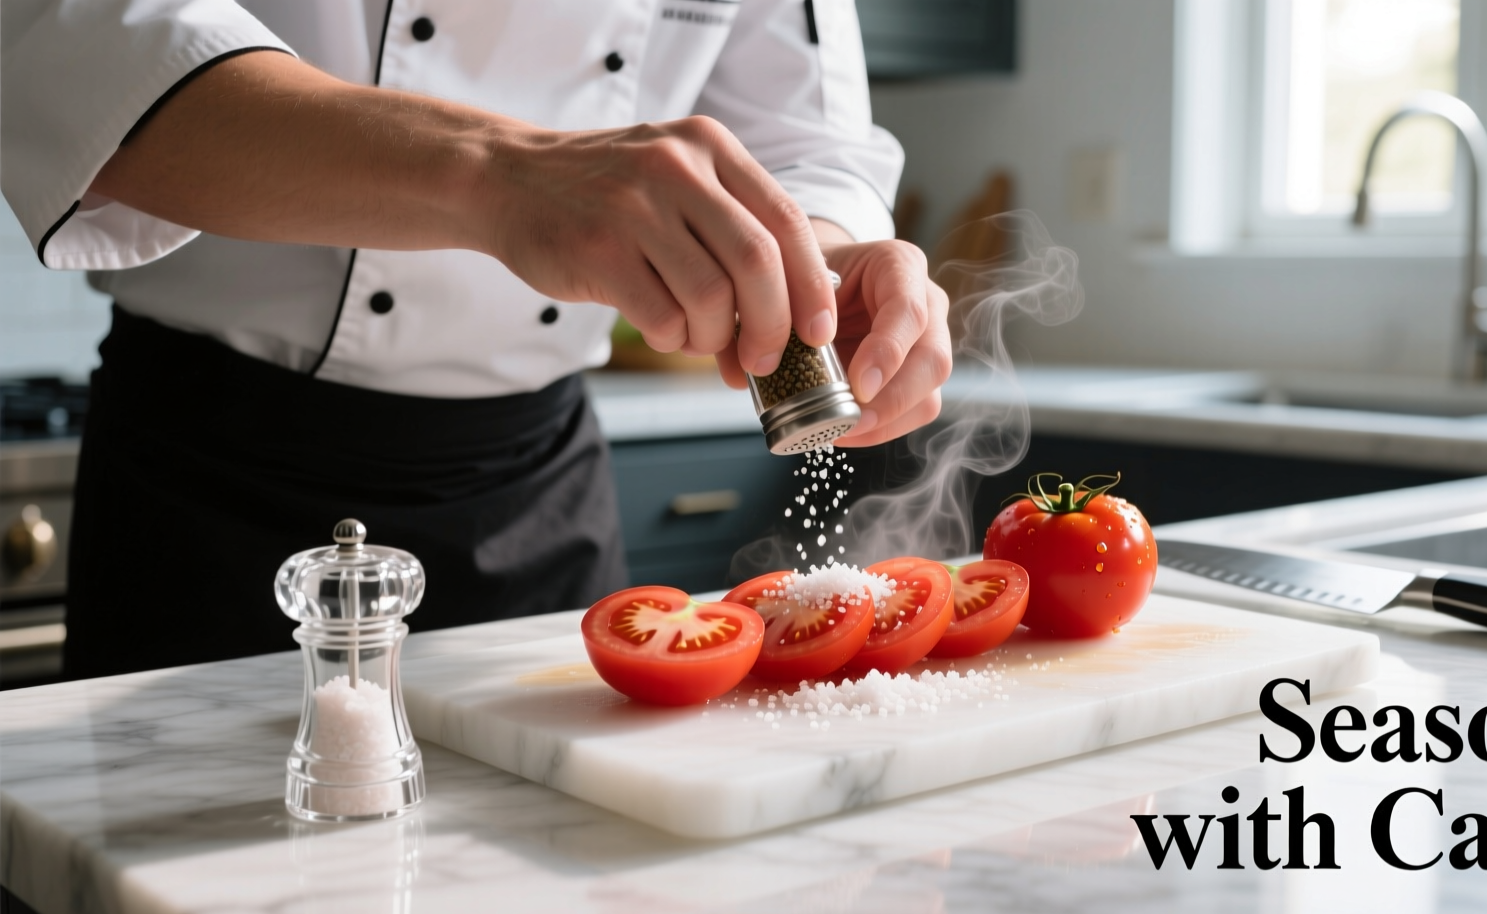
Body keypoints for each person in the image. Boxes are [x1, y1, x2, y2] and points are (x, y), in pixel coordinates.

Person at [3, 0, 951, 677]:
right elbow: (88, 58)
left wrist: (823, 258)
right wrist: (502, 175)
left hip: (538, 498)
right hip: (218, 486)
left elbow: (807, 146)